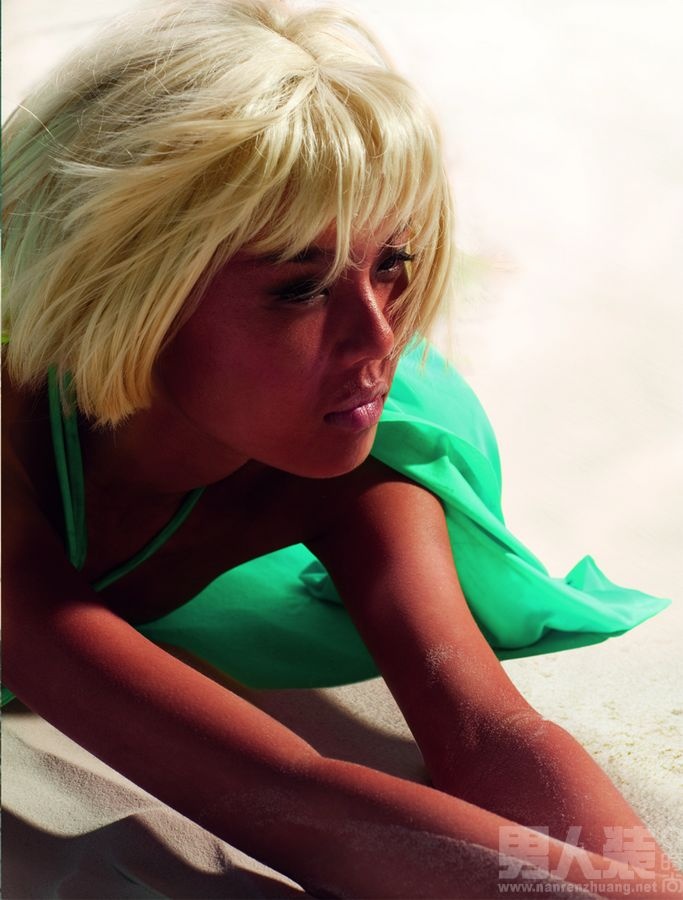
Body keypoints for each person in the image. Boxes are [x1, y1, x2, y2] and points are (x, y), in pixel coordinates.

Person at [2, 1, 680, 896]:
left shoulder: (362, 448)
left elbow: (485, 730)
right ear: (128, 292)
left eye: (391, 262)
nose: (378, 340)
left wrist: (651, 883)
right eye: (301, 287)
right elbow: (292, 802)